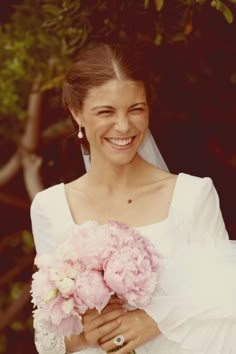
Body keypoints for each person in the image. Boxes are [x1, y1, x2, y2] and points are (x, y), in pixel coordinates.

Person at [30, 43, 236, 354]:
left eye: (136, 109)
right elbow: (47, 333)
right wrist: (83, 335)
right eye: (105, 112)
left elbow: (226, 296)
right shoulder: (50, 208)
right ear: (76, 113)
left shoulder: (192, 196)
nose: (124, 126)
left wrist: (156, 319)